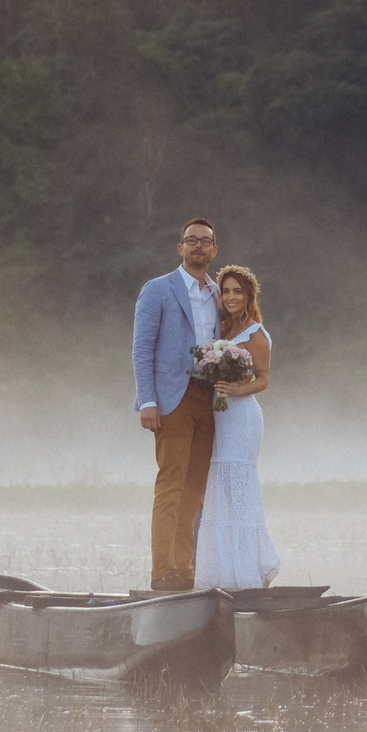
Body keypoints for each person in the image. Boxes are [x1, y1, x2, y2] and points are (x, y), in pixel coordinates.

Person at [133, 219, 225, 592]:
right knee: (171, 482)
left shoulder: (219, 294)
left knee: (195, 487)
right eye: (191, 241)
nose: (198, 246)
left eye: (205, 241)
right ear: (180, 248)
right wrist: (148, 401)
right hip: (172, 397)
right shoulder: (158, 290)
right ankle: (162, 571)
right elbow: (142, 348)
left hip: (209, 398)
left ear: (214, 250)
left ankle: (185, 570)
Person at [192, 265, 278, 591]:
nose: (230, 297)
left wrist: (236, 391)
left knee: (238, 489)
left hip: (242, 418)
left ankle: (251, 572)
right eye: (226, 291)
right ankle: (222, 574)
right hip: (221, 417)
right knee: (222, 492)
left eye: (237, 291)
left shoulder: (255, 333)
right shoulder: (221, 333)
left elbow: (264, 378)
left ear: (248, 296)